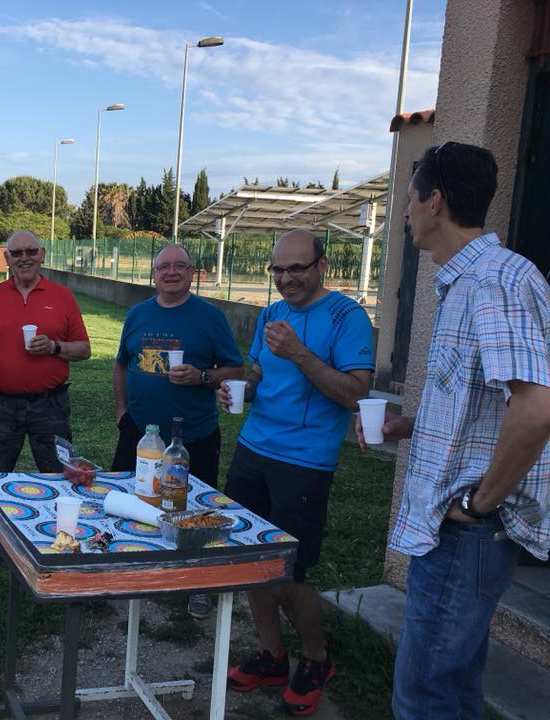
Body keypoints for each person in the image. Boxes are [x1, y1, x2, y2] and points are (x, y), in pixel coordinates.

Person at [355, 142, 550, 720]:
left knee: (425, 698)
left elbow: (536, 409)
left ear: (434, 201)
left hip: (465, 532)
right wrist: (410, 425)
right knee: (452, 687)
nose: (405, 211)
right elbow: (487, 403)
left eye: (409, 198)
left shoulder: (495, 282)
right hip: (457, 529)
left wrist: (478, 505)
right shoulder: (469, 282)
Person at [220, 228, 374, 716]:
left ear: (321, 265)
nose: (286, 279)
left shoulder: (347, 317)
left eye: (296, 268)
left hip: (304, 462)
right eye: (278, 270)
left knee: (288, 571)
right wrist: (241, 389)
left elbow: (355, 393)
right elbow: (258, 372)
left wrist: (300, 353)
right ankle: (271, 655)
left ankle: (316, 659)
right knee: (248, 558)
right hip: (253, 449)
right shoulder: (271, 314)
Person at [111, 242, 244, 619]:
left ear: (191, 273)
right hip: (139, 432)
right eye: (163, 267)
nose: (171, 272)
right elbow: (121, 365)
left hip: (193, 436)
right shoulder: (138, 314)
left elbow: (235, 370)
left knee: (194, 510)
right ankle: (129, 568)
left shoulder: (210, 317)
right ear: (154, 274)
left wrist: (201, 377)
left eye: (179, 266)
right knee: (132, 499)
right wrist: (121, 411)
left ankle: (196, 584)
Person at [0, 229, 91, 563]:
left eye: (31, 251)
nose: (24, 258)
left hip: (50, 405)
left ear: (42, 254)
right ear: (6, 258)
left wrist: (54, 347)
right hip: (1, 405)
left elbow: (84, 349)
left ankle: (61, 536)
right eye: (16, 253)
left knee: (59, 472)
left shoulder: (62, 296)